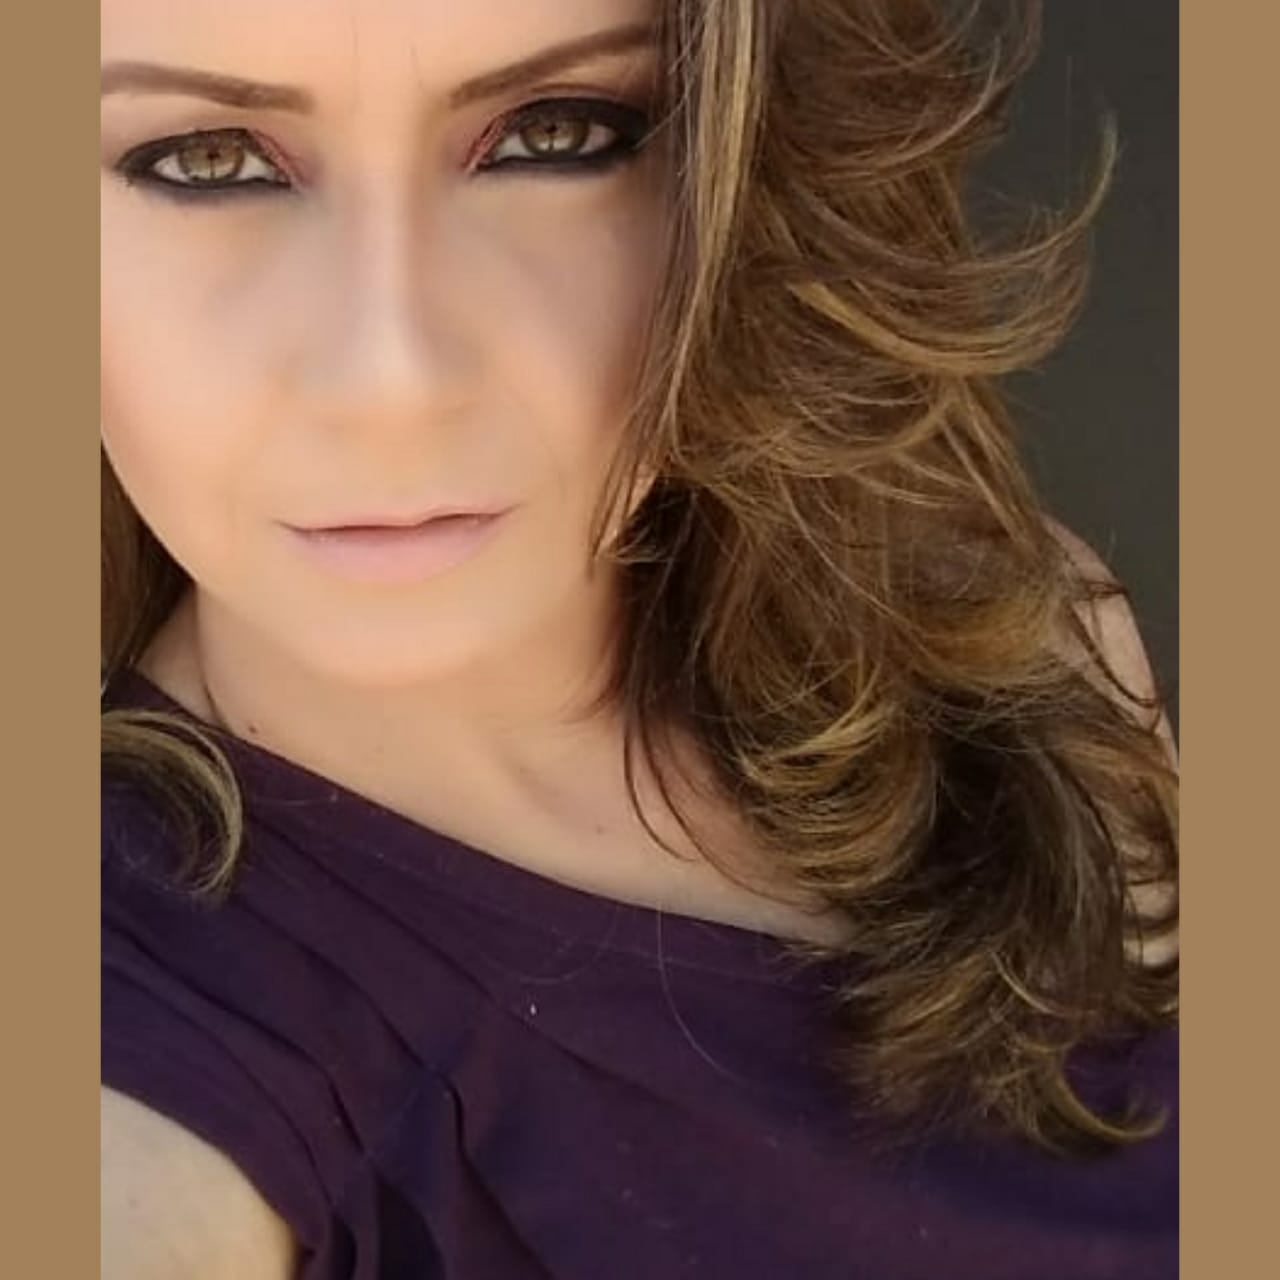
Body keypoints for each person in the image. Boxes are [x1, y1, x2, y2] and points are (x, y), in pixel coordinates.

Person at [100, 0, 1179, 1276]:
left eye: (557, 132)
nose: (391, 378)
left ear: (748, 167)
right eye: (206, 159)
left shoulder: (1020, 646)